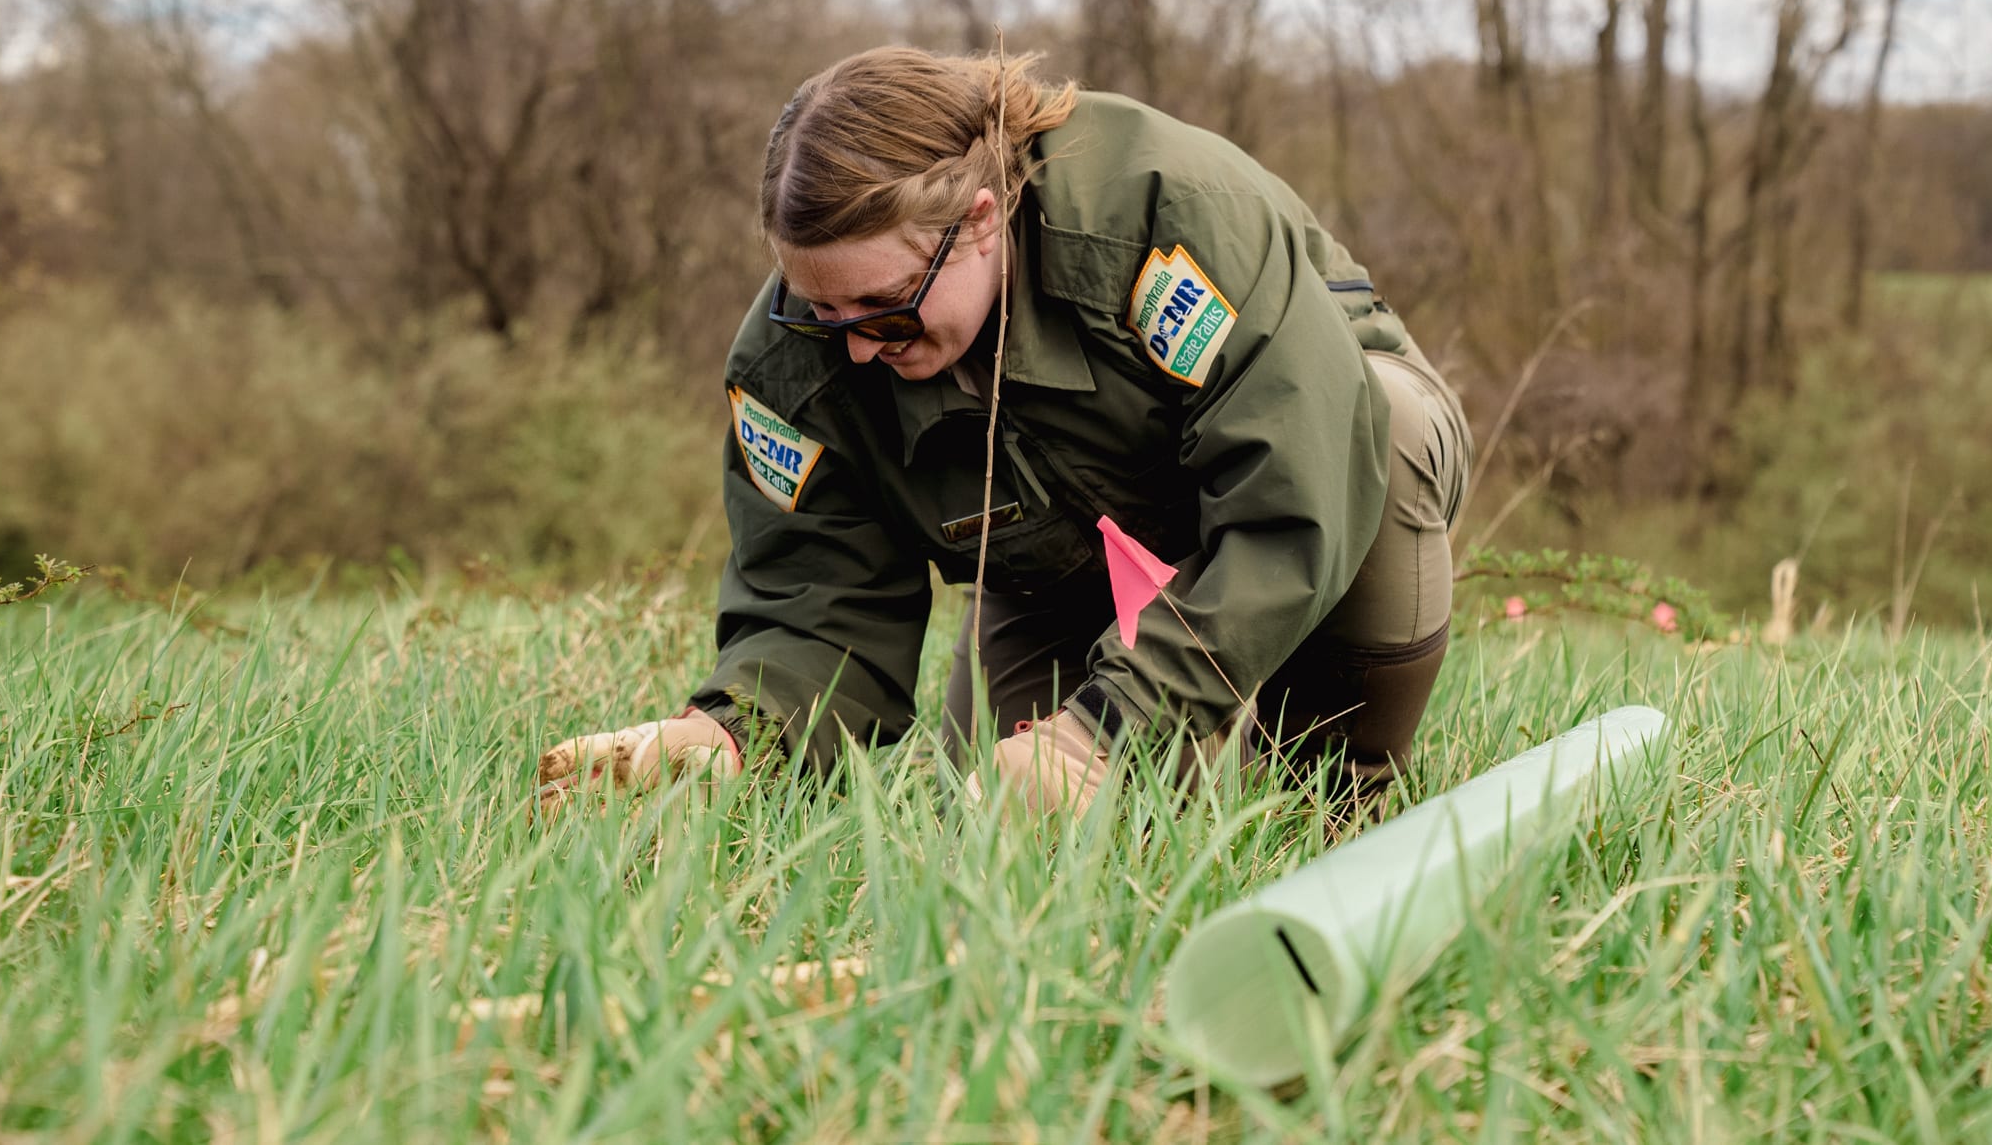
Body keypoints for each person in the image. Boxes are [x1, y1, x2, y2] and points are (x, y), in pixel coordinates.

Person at [536, 46, 1472, 818]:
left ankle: (1338, 802)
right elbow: (816, 604)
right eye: (822, 311)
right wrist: (726, 737)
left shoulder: (1163, 214)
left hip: (1332, 467)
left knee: (1381, 432)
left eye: (887, 310)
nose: (857, 350)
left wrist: (1110, 723)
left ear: (980, 222)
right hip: (1063, 562)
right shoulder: (800, 364)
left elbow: (1295, 495)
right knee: (993, 825)